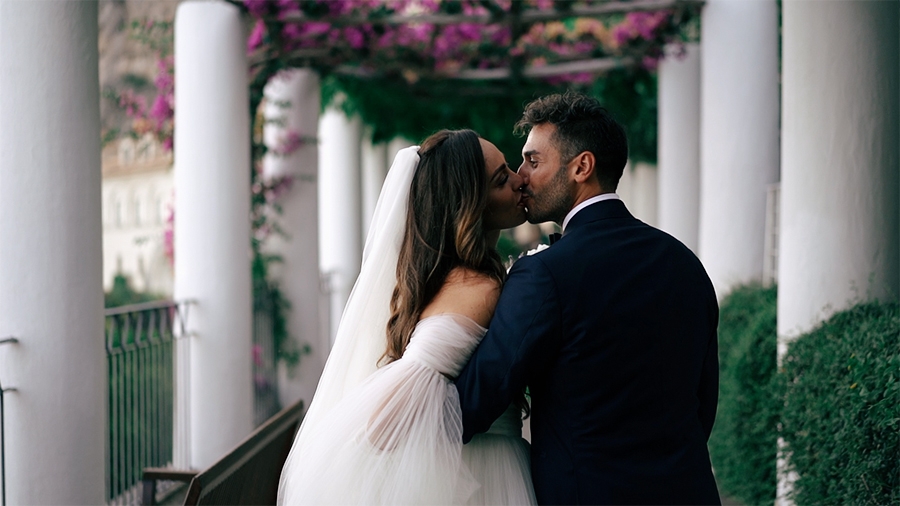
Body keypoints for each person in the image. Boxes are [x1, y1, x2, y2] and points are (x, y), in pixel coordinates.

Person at [456, 92, 721, 505]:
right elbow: (702, 405)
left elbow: (473, 402)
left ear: (582, 166)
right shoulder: (684, 262)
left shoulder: (544, 274)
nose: (521, 175)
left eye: (534, 160)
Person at [278, 129, 536, 505]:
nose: (519, 181)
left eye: (510, 169)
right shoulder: (478, 288)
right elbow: (383, 424)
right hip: (484, 474)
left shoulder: (446, 279)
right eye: (501, 180)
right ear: (469, 205)